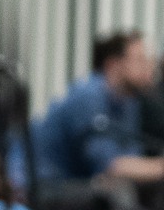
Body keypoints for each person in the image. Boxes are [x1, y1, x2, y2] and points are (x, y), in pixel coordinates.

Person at [36, 31, 164, 184]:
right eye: (140, 60)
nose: (148, 68)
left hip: (80, 184)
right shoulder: (88, 95)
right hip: (47, 182)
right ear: (113, 64)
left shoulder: (130, 101)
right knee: (117, 195)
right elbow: (109, 165)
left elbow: (131, 157)